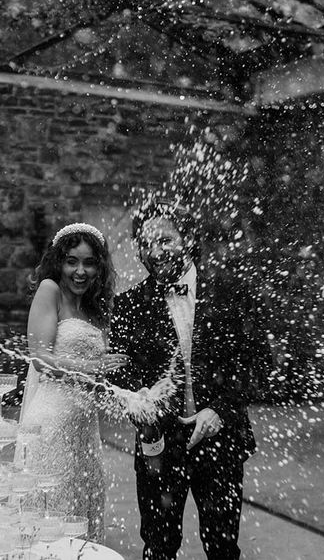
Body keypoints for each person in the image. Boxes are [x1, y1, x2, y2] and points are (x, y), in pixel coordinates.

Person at [110, 198, 258, 560]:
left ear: (188, 239)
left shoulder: (229, 293)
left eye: (165, 240)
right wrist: (136, 398)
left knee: (223, 548)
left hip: (220, 441)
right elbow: (119, 373)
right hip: (159, 446)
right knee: (158, 549)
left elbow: (254, 365)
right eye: (147, 244)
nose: (155, 251)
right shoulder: (129, 305)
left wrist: (220, 410)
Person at [16, 222, 128, 542]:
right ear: (58, 262)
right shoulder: (50, 290)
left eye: (89, 262)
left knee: (84, 513)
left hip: (85, 432)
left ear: (100, 266)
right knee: (51, 517)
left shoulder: (96, 307)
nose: (80, 271)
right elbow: (39, 357)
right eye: (71, 261)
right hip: (51, 425)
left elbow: (96, 375)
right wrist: (93, 366)